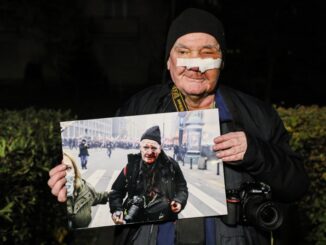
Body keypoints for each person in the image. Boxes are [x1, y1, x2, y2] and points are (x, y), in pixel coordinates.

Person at [48, 8, 309, 245]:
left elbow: (297, 183)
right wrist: (73, 182)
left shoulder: (257, 115)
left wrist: (255, 152)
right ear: (168, 62)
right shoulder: (139, 108)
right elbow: (112, 183)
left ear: (222, 61)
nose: (195, 66)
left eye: (208, 53)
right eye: (183, 53)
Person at [109, 125, 188, 225]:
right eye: (146, 147)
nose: (149, 152)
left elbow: (182, 188)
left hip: (165, 218)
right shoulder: (131, 167)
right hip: (135, 219)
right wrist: (117, 210)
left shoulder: (171, 165)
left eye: (154, 148)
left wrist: (179, 201)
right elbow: (116, 191)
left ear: (160, 149)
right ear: (140, 148)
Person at [61, 151, 109, 229]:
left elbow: (96, 197)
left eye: (68, 168)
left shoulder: (84, 188)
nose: (65, 173)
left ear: (75, 171)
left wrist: (112, 195)